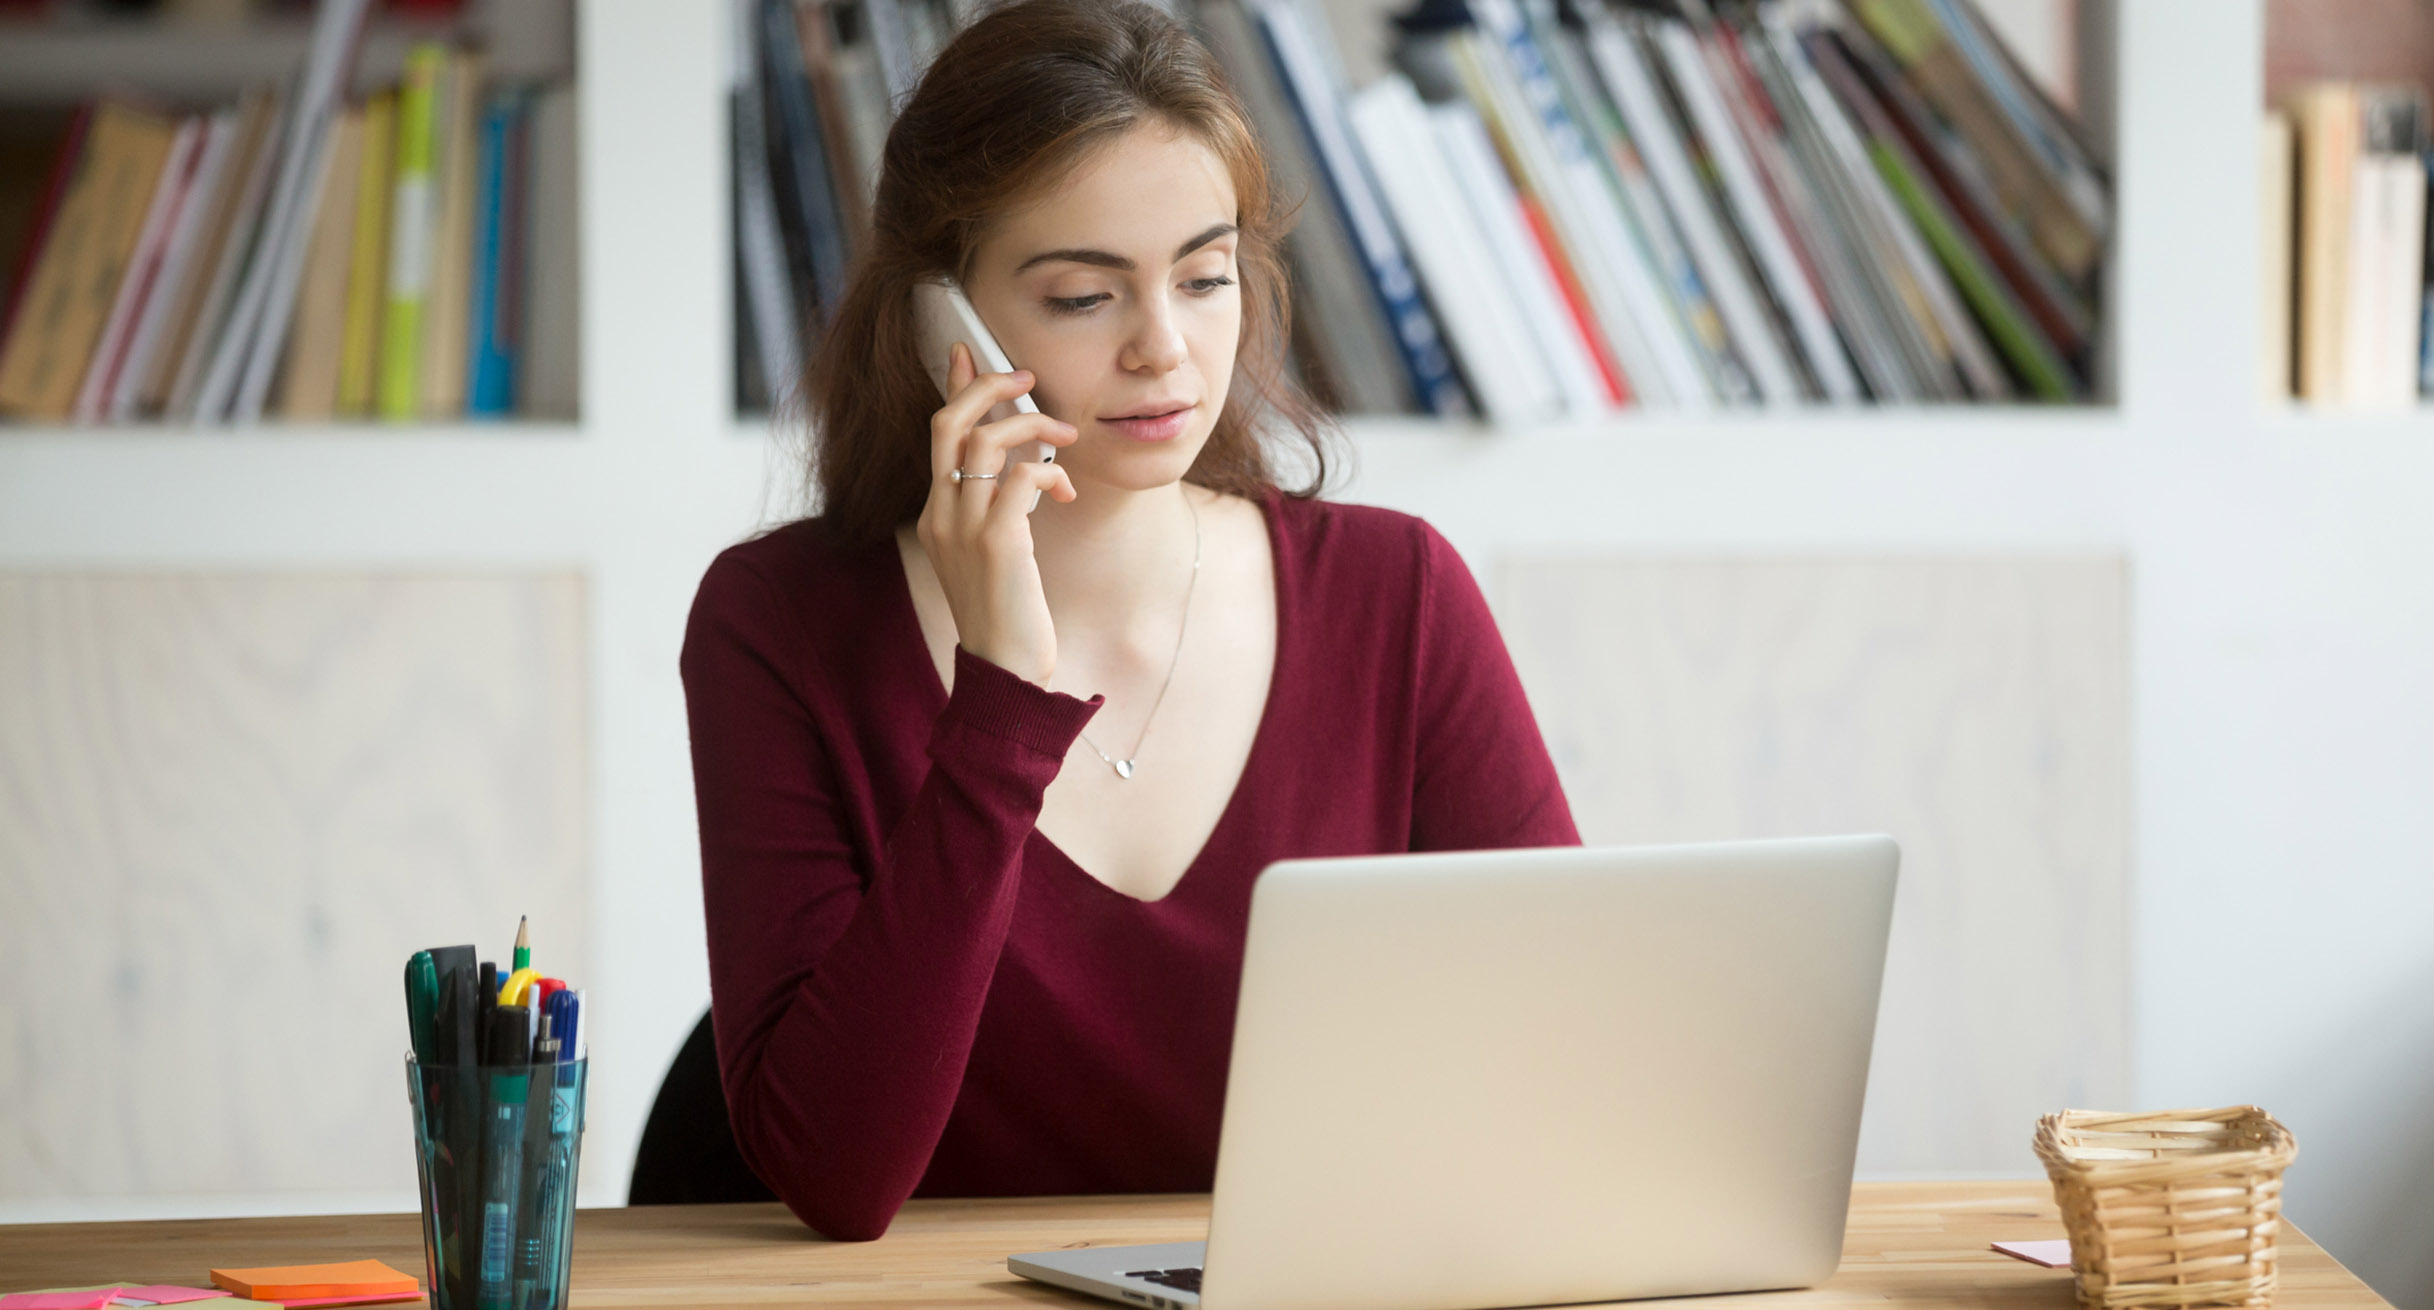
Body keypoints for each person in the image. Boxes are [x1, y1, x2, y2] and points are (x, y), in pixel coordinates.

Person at [680, 0, 1577, 1242]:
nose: (1167, 349)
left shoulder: (1398, 595)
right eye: (1086, 296)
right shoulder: (777, 624)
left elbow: (1567, 1060)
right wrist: (998, 694)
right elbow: (836, 1175)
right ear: (946, 320)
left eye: (1204, 278)